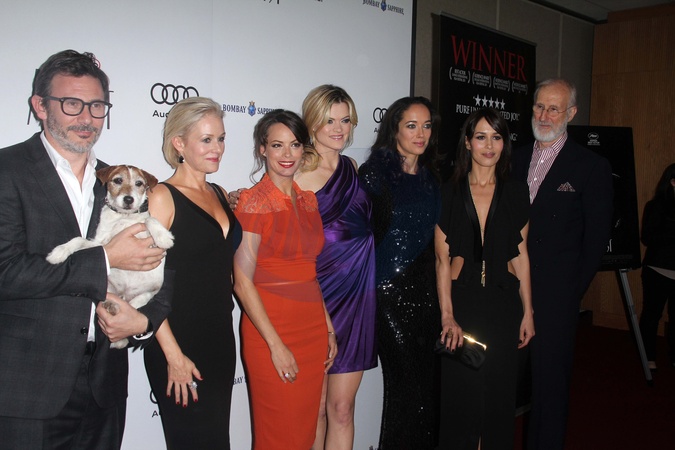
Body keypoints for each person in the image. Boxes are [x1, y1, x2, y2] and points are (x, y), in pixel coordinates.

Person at [0, 50, 171, 450]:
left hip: (104, 385)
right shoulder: (7, 171)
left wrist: (143, 321)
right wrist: (106, 258)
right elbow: (6, 271)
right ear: (40, 106)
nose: (87, 117)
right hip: (28, 388)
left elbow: (163, 267)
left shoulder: (117, 181)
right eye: (71, 103)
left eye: (97, 105)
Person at [511, 78, 613, 450]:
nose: (544, 115)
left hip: (555, 297)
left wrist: (570, 292)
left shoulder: (590, 166)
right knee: (502, 384)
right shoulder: (513, 157)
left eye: (554, 108)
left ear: (571, 113)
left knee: (549, 389)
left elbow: (595, 241)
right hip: (508, 289)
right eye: (539, 106)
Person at [233, 109, 338, 449]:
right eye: (277, 145)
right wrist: (275, 346)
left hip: (311, 328)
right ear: (262, 149)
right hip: (271, 330)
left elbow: (311, 273)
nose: (287, 154)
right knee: (279, 435)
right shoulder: (253, 202)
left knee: (305, 430)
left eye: (294, 144)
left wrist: (327, 327)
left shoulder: (308, 201)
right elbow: (242, 282)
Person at [142, 97, 241, 449]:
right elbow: (146, 285)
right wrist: (173, 356)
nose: (218, 148)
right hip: (177, 341)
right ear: (179, 143)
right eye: (206, 139)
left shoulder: (218, 192)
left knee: (217, 441)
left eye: (221, 138)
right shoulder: (162, 196)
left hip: (220, 339)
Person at [435, 108, 534, 449]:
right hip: (462, 306)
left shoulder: (517, 192)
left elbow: (521, 256)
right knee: (461, 400)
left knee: (497, 400)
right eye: (481, 137)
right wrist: (447, 315)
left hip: (503, 305)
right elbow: (442, 260)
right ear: (467, 142)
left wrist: (528, 312)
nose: (489, 146)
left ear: (504, 144)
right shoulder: (448, 193)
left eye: (496, 137)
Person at [294, 85, 377, 450]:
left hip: (358, 298)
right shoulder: (296, 170)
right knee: (315, 411)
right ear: (312, 122)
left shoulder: (351, 168)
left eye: (345, 120)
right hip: (318, 299)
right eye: (329, 120)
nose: (339, 129)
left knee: (343, 409)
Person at [359, 96, 442, 450]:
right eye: (411, 125)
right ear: (394, 129)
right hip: (387, 294)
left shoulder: (432, 177)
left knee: (427, 387)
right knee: (405, 388)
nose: (420, 134)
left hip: (427, 294)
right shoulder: (374, 175)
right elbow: (355, 235)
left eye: (426, 126)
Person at [639, 163, 675, 370]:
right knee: (652, 314)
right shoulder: (655, 206)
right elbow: (647, 238)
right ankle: (648, 356)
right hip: (658, 270)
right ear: (672, 182)